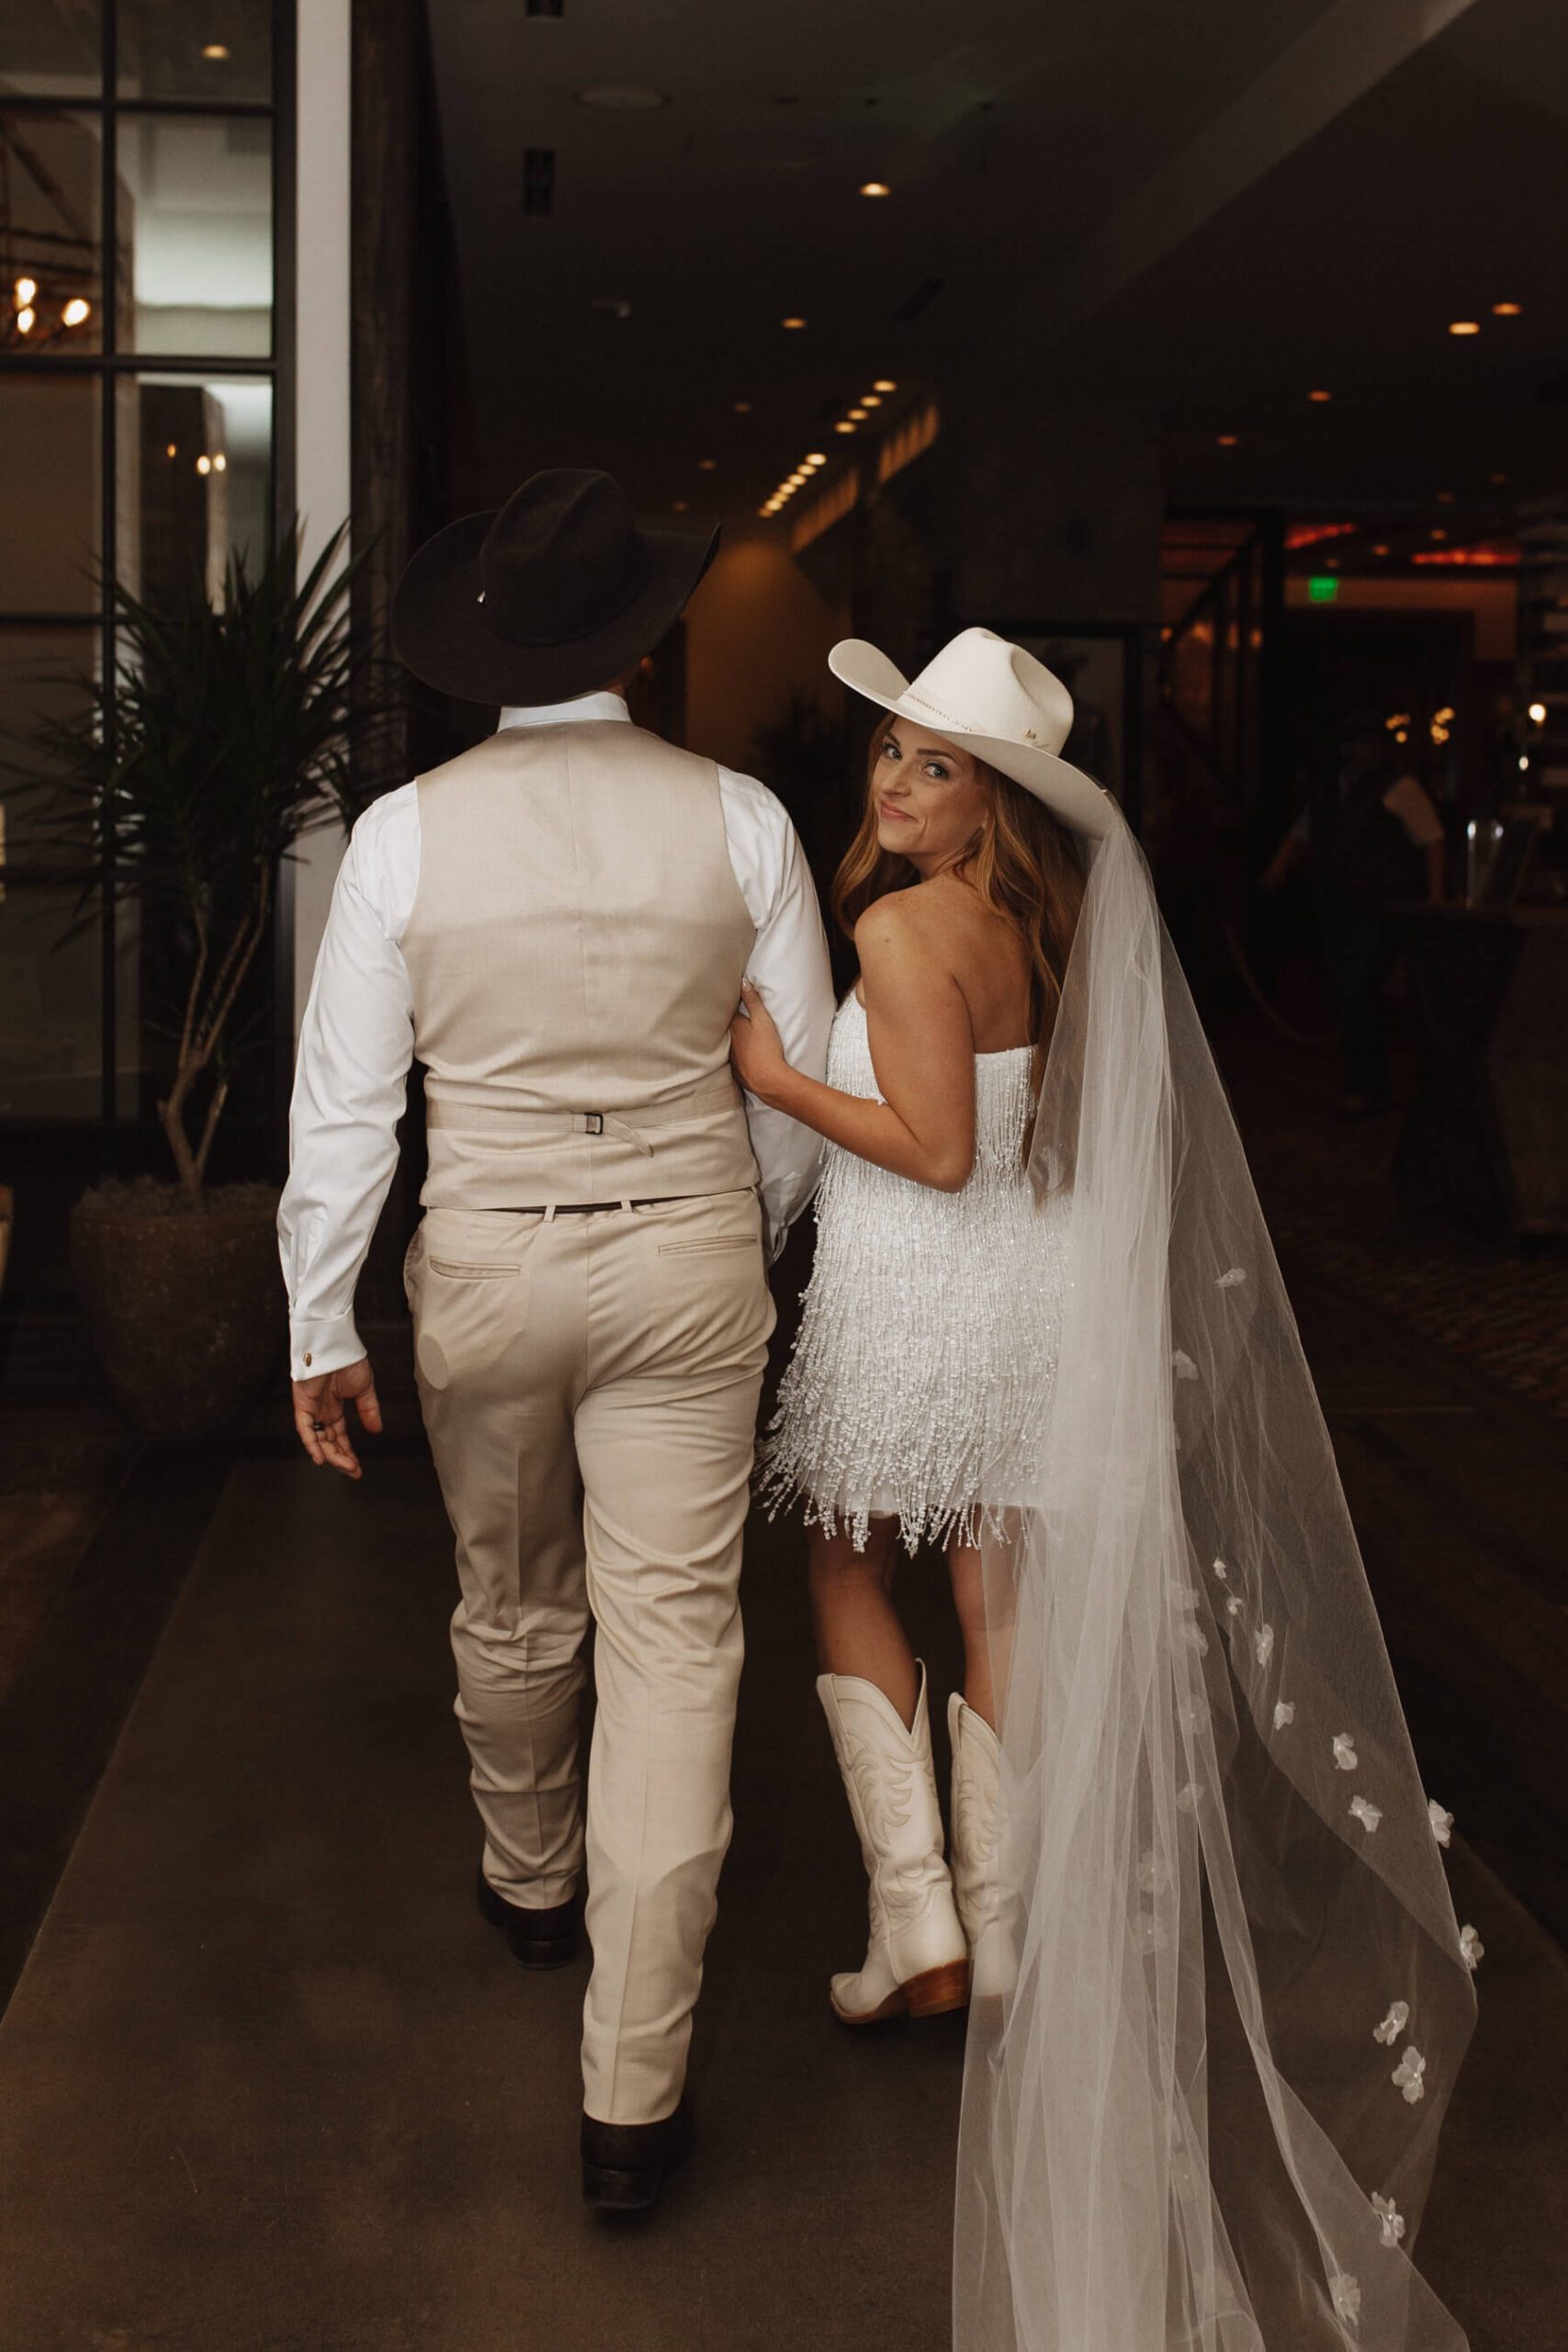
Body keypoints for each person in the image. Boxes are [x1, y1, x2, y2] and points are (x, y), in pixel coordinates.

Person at [733, 628, 1478, 2351]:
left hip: (919, 1282)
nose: (891, 784)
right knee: (996, 1592)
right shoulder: (1044, 934)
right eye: (892, 754)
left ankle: (918, 1918)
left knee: (849, 1566)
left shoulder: (904, 925)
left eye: (931, 766)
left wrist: (774, 1078)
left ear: (991, 800)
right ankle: (999, 1936)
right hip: (1026, 1295)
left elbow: (925, 1148)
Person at [278, 468, 835, 2211]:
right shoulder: (740, 817)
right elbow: (798, 1084)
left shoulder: (402, 835)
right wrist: (732, 1237)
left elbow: (346, 1111)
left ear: (492, 651)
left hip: (489, 1268)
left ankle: (527, 1881)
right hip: (686, 1255)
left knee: (511, 1586)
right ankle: (632, 2097)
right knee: (678, 1653)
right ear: (643, 641)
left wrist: (317, 1323)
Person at [1264, 714, 1446, 1114]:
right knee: (1349, 991)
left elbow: (1431, 839)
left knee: (1359, 987)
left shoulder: (1399, 788)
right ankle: (1364, 1082)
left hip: (1381, 906)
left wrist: (1433, 900)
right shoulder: (1328, 789)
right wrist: (1279, 867)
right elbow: (1303, 831)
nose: (1370, 751)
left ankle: (1366, 1087)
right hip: (1336, 903)